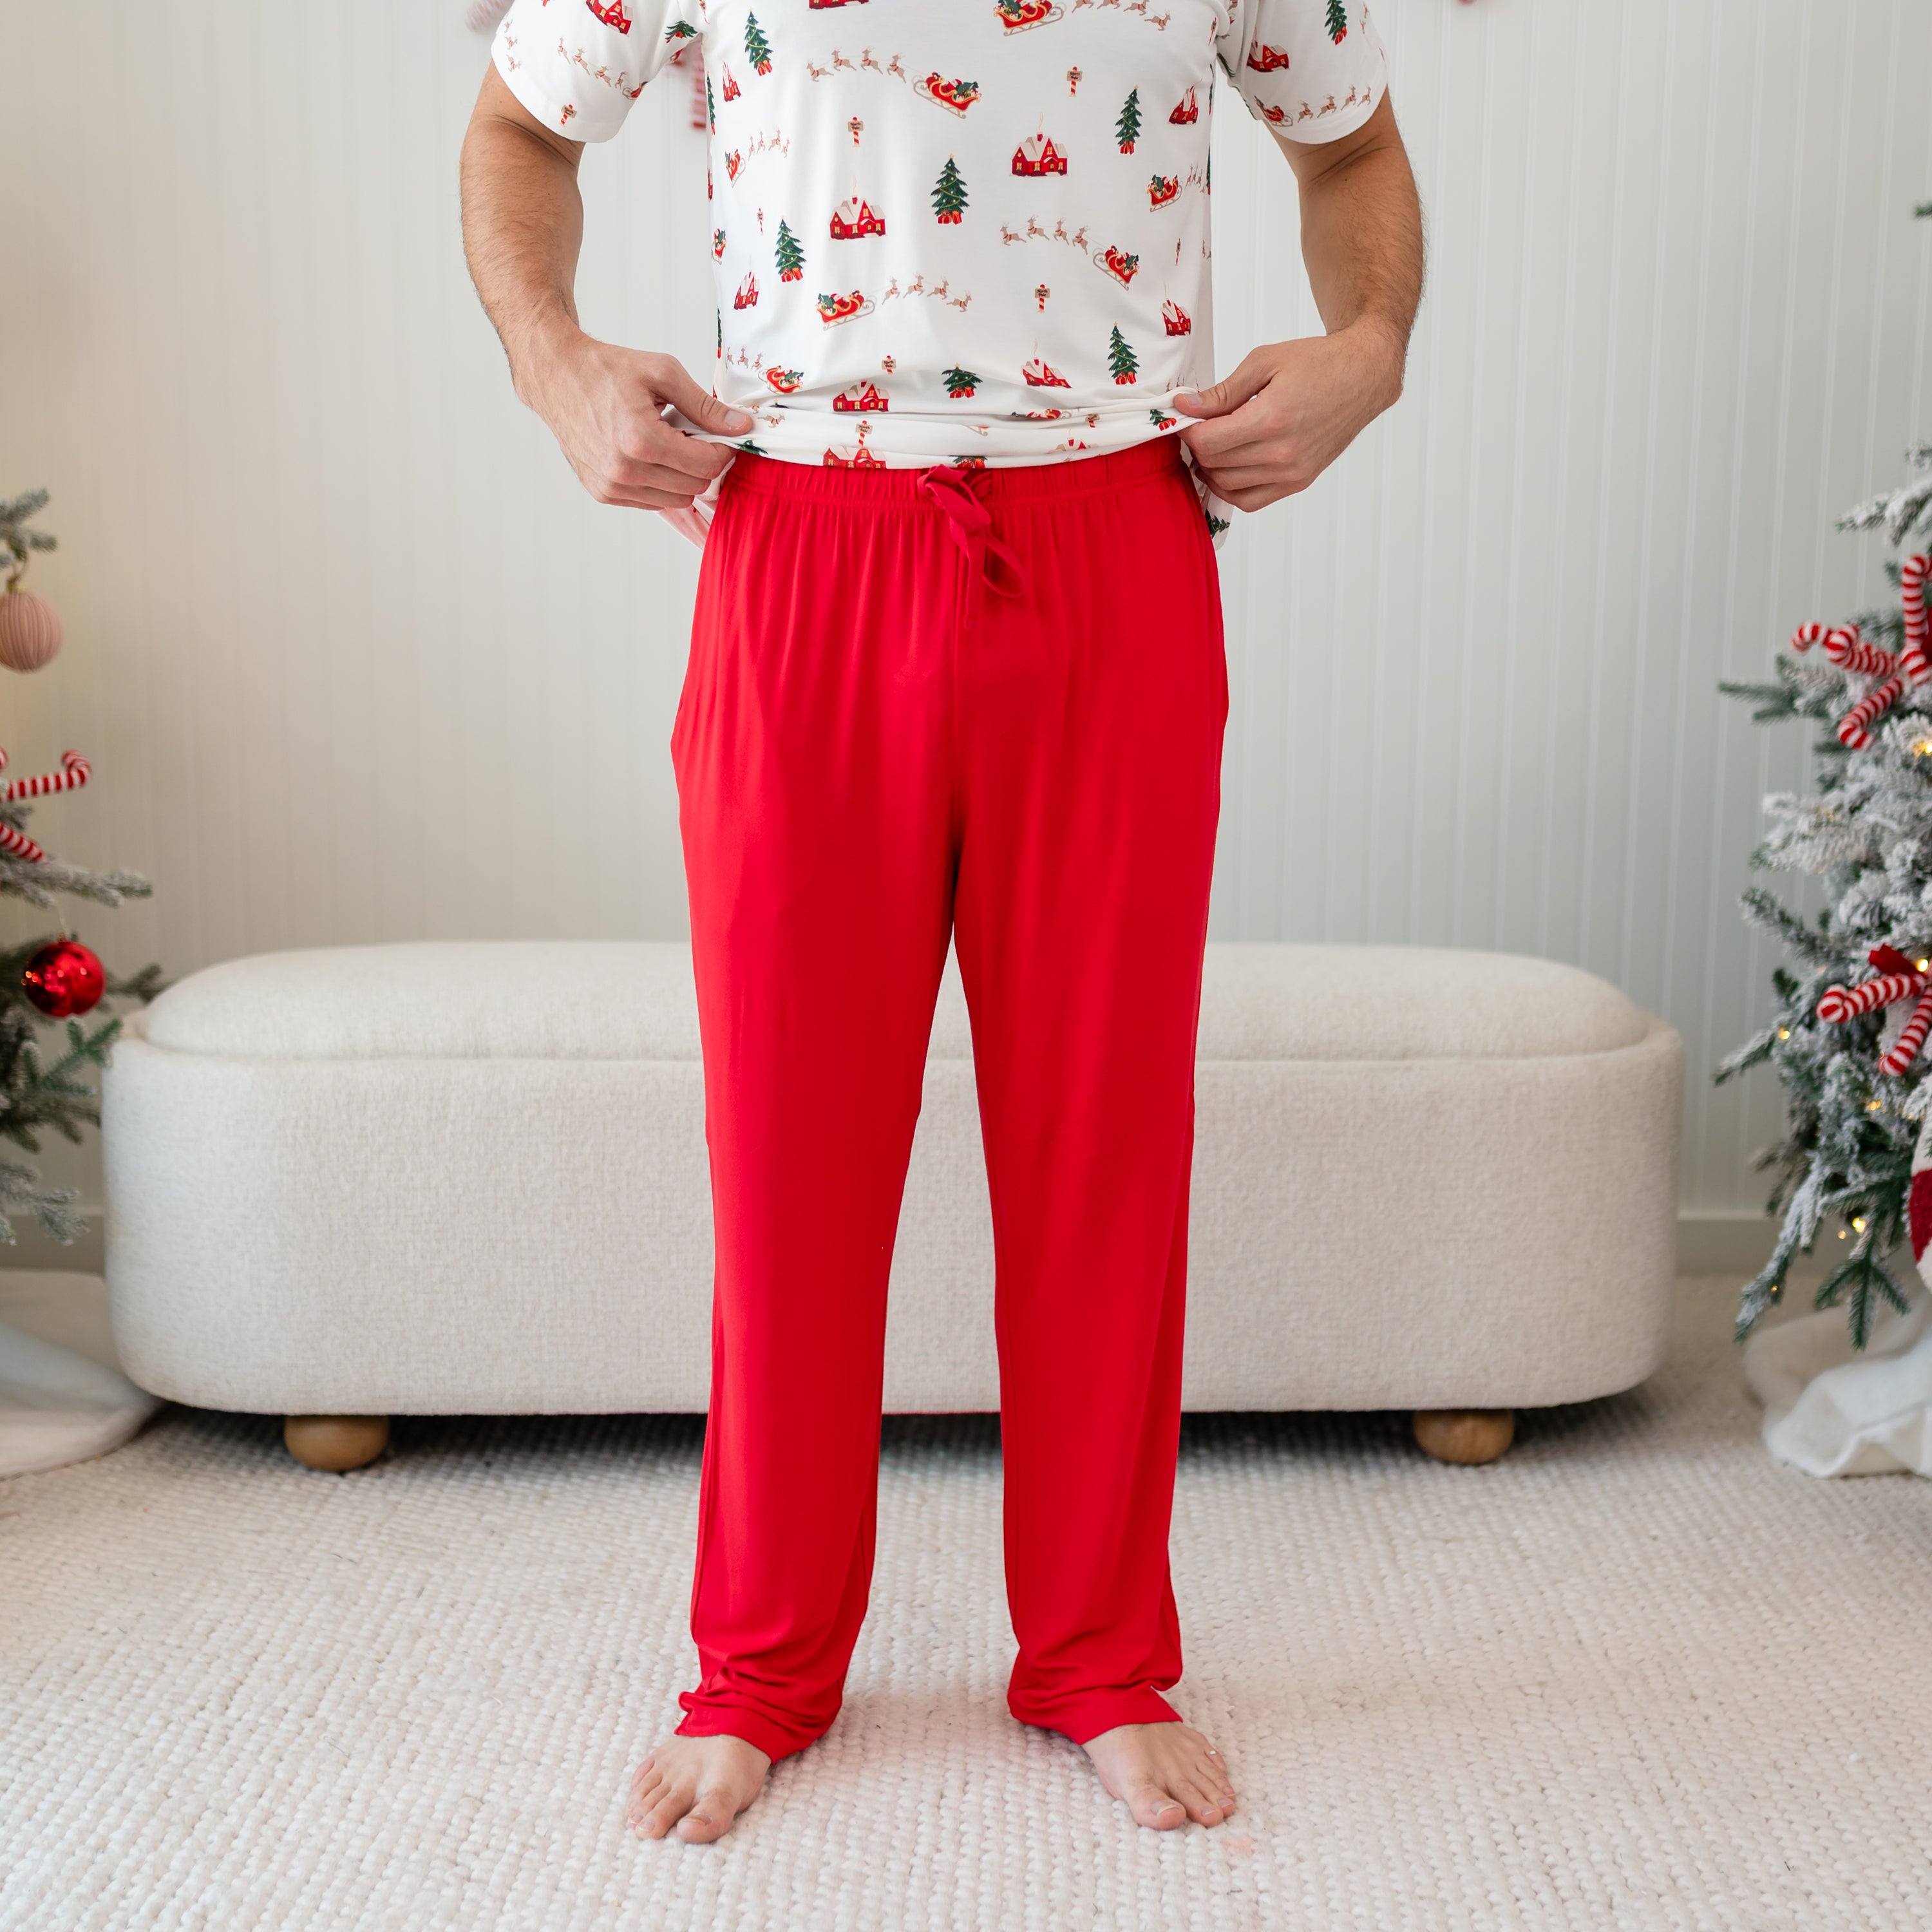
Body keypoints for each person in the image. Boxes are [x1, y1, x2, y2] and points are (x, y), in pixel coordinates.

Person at [460, 0, 1421, 1846]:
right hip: (804, 550)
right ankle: (760, 1664)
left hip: (1116, 541)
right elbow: (514, 132)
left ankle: (1098, 1653)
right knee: (792, 1148)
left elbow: (1355, 146)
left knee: (1103, 1141)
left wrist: (1368, 347)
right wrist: (554, 363)